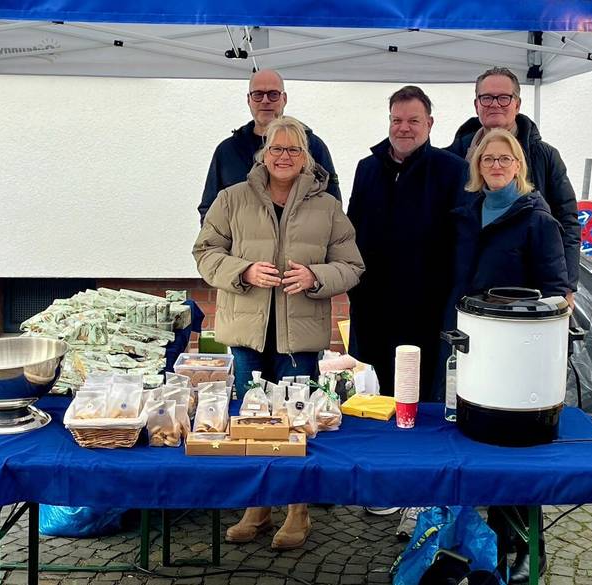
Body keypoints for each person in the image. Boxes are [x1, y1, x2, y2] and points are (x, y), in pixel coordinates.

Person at [193, 116, 364, 550]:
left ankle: (297, 509)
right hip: (248, 331)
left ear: (305, 156)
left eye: (292, 150)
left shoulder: (326, 207)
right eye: (275, 148)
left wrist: (315, 276)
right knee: (252, 421)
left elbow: (352, 266)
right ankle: (258, 507)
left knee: (295, 422)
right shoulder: (232, 199)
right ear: (262, 154)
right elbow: (205, 251)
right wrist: (243, 270)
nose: (283, 157)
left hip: (300, 336)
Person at [447, 128, 572, 585]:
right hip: (472, 342)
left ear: (518, 164)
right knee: (475, 442)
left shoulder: (538, 219)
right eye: (487, 160)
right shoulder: (466, 213)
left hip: (517, 355)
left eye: (504, 159)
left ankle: (525, 546)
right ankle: (483, 538)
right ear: (477, 167)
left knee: (515, 453)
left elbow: (556, 291)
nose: (495, 166)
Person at [347, 85, 469, 403]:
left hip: (428, 312)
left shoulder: (453, 171)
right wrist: (355, 290)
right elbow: (351, 234)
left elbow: (462, 243)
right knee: (384, 398)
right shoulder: (367, 169)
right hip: (376, 310)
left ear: (429, 123)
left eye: (413, 120)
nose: (404, 128)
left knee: (426, 399)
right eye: (396, 120)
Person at [445, 67, 581, 299]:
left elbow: (567, 222)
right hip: (468, 300)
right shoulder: (454, 157)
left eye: (504, 97)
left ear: (517, 104)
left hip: (524, 296)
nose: (494, 104)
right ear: (476, 105)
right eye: (486, 97)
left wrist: (566, 287)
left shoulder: (545, 156)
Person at [197, 69, 341, 223]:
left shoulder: (311, 146)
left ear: (284, 98)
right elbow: (209, 209)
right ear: (249, 99)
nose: (265, 100)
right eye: (258, 94)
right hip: (241, 247)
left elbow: (333, 207)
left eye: (273, 94)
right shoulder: (227, 151)